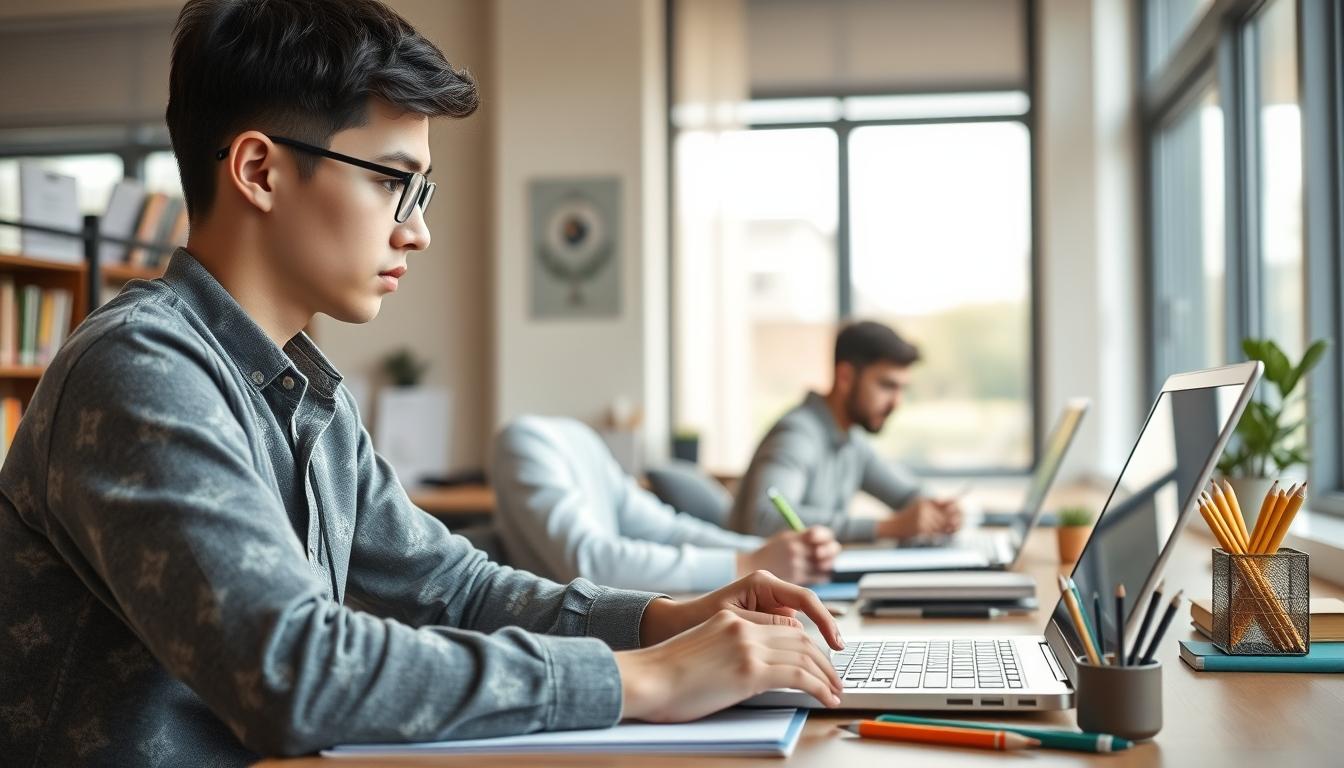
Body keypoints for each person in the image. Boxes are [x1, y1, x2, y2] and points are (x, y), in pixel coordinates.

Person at [0, 2, 843, 765]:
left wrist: (671, 618)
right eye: (391, 182)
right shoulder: (141, 367)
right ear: (258, 171)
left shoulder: (300, 392)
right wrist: (645, 680)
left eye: (421, 190)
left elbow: (454, 588)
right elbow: (294, 672)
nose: (420, 231)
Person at [491, 416, 840, 592]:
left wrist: (771, 552)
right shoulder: (525, 440)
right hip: (577, 641)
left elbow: (666, 529)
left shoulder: (581, 439)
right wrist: (748, 562)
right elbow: (590, 562)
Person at [730, 320, 964, 543]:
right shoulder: (796, 435)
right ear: (845, 377)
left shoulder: (852, 441)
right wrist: (887, 527)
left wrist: (938, 509)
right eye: (887, 386)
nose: (896, 403)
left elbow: (906, 496)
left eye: (902, 389)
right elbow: (764, 521)